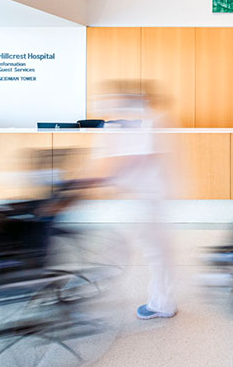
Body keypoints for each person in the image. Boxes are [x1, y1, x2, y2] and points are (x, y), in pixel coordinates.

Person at [94, 82, 178, 320]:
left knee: (154, 251)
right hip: (146, 198)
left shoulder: (147, 123)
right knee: (156, 250)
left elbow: (138, 158)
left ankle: (162, 302)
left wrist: (106, 176)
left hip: (145, 199)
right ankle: (162, 300)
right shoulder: (146, 122)